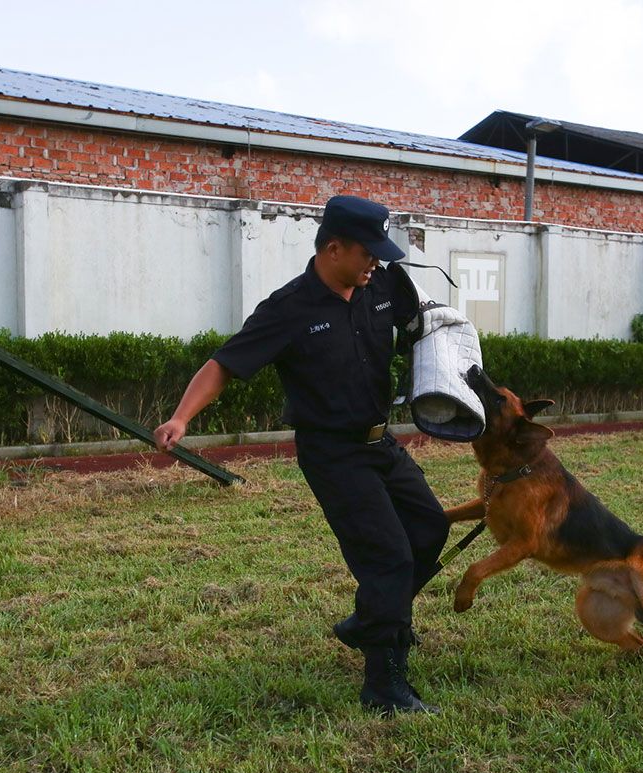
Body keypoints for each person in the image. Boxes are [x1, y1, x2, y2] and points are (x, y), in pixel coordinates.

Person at [154, 195, 450, 715]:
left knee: (430, 530)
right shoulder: (288, 308)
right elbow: (224, 364)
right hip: (332, 452)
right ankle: (384, 685)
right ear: (333, 248)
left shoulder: (382, 284)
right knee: (388, 556)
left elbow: (430, 329)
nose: (376, 263)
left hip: (382, 442)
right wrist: (182, 417)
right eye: (367, 253)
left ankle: (370, 620)